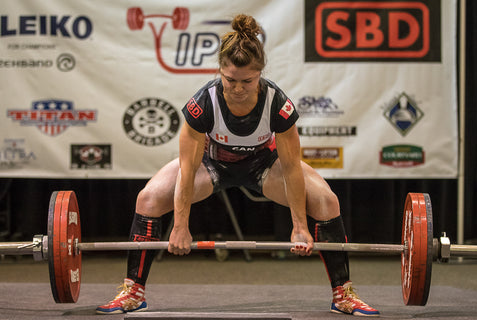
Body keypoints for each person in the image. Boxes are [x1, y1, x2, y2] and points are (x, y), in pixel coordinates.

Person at [96, 14, 379, 317]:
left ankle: (343, 294)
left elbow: (292, 167)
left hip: (263, 166)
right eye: (230, 80)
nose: (239, 88)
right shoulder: (203, 104)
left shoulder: (277, 105)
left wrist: (299, 226)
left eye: (248, 81)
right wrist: (180, 226)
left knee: (326, 201)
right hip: (212, 164)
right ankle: (133, 291)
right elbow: (188, 170)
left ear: (260, 74)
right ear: (219, 71)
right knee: (148, 199)